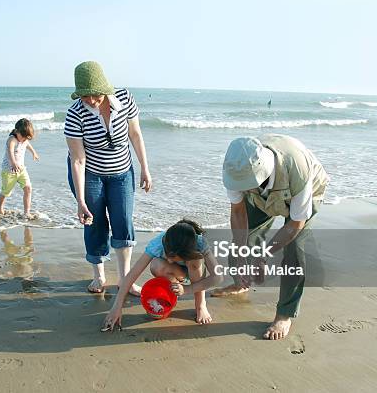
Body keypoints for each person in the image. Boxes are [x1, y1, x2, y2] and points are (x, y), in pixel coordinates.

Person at [212, 134, 329, 340]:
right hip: (261, 197)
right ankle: (240, 283)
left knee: (295, 250)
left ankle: (285, 314)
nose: (242, 187)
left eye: (247, 182)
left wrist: (264, 255)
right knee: (242, 241)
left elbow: (295, 224)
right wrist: (241, 256)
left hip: (302, 191)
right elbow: (238, 213)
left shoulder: (297, 169)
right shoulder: (234, 168)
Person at [64, 61, 152, 295]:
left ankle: (125, 279)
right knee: (95, 223)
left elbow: (135, 134)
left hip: (122, 172)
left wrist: (144, 167)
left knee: (123, 220)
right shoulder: (75, 114)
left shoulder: (124, 99)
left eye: (95, 95)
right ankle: (99, 276)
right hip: (89, 173)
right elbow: (77, 160)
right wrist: (80, 201)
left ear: (105, 88)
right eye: (85, 96)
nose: (91, 100)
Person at [101, 219, 224, 331]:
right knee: (157, 264)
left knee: (195, 261)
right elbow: (132, 275)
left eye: (174, 258)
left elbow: (218, 277)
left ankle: (200, 305)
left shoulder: (199, 243)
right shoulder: (158, 243)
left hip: (192, 275)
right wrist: (116, 307)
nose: (169, 260)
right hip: (174, 273)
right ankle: (173, 291)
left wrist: (187, 289)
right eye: (168, 256)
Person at [0, 118, 40, 218]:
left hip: (21, 170)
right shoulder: (12, 139)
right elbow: (10, 151)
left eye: (26, 138)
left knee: (28, 188)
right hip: (9, 171)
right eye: (23, 137)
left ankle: (27, 212)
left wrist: (33, 152)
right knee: (6, 192)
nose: (25, 140)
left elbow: (27, 144)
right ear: (17, 131)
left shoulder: (24, 139)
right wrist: (13, 163)